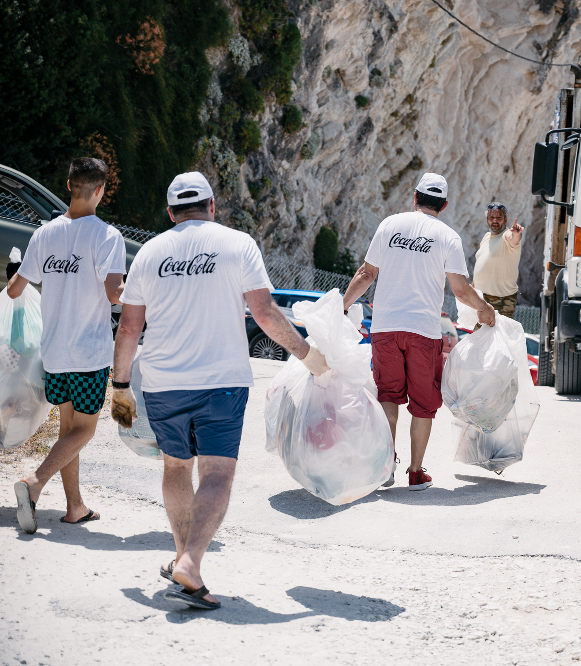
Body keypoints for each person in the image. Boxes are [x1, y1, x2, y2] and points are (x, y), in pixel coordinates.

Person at [110, 172, 329, 611]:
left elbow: (130, 326)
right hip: (221, 384)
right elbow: (264, 313)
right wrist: (307, 355)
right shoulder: (237, 244)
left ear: (171, 212)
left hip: (162, 382)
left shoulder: (150, 252)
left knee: (176, 468)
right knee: (216, 474)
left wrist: (119, 386)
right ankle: (189, 563)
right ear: (212, 206)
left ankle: (181, 560)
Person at [342, 173, 495, 491]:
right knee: (423, 403)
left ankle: (384, 469)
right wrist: (484, 310)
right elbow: (461, 290)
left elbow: (367, 273)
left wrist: (342, 305)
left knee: (388, 396)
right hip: (423, 332)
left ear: (415, 198)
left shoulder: (389, 225)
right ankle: (415, 472)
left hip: (385, 328)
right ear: (445, 204)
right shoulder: (448, 237)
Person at [10, 157, 126, 535]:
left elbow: (14, 289)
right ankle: (35, 482)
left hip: (55, 352)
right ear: (100, 190)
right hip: (89, 354)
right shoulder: (108, 237)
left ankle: (75, 507)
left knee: (67, 432)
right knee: (86, 431)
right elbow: (114, 294)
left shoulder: (44, 234)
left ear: (68, 186)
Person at [472, 202, 523, 326]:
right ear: (487, 220)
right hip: (481, 299)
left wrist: (516, 234)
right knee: (479, 338)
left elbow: (513, 239)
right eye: (491, 217)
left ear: (505, 220)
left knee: (498, 339)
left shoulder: (506, 236)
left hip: (501, 300)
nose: (494, 220)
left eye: (499, 217)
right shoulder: (486, 237)